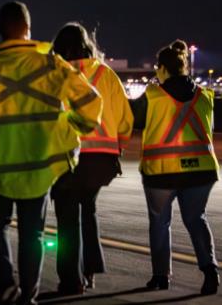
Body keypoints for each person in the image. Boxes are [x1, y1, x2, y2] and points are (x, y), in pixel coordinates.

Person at [0, 1, 102, 304]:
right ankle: (29, 296)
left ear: (1, 31)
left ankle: (5, 284)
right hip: (39, 167)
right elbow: (92, 104)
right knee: (32, 235)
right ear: (28, 29)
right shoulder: (51, 64)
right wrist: (71, 128)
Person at [50, 23, 134, 294]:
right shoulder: (105, 73)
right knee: (88, 209)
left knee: (67, 217)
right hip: (102, 160)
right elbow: (125, 118)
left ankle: (71, 280)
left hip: (68, 157)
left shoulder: (56, 74)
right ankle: (89, 271)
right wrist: (118, 146)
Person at [131, 40, 219, 294]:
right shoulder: (205, 97)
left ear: (162, 69)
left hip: (162, 172)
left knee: (160, 223)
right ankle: (210, 270)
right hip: (201, 172)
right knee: (196, 219)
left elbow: (130, 119)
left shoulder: (152, 96)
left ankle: (160, 277)